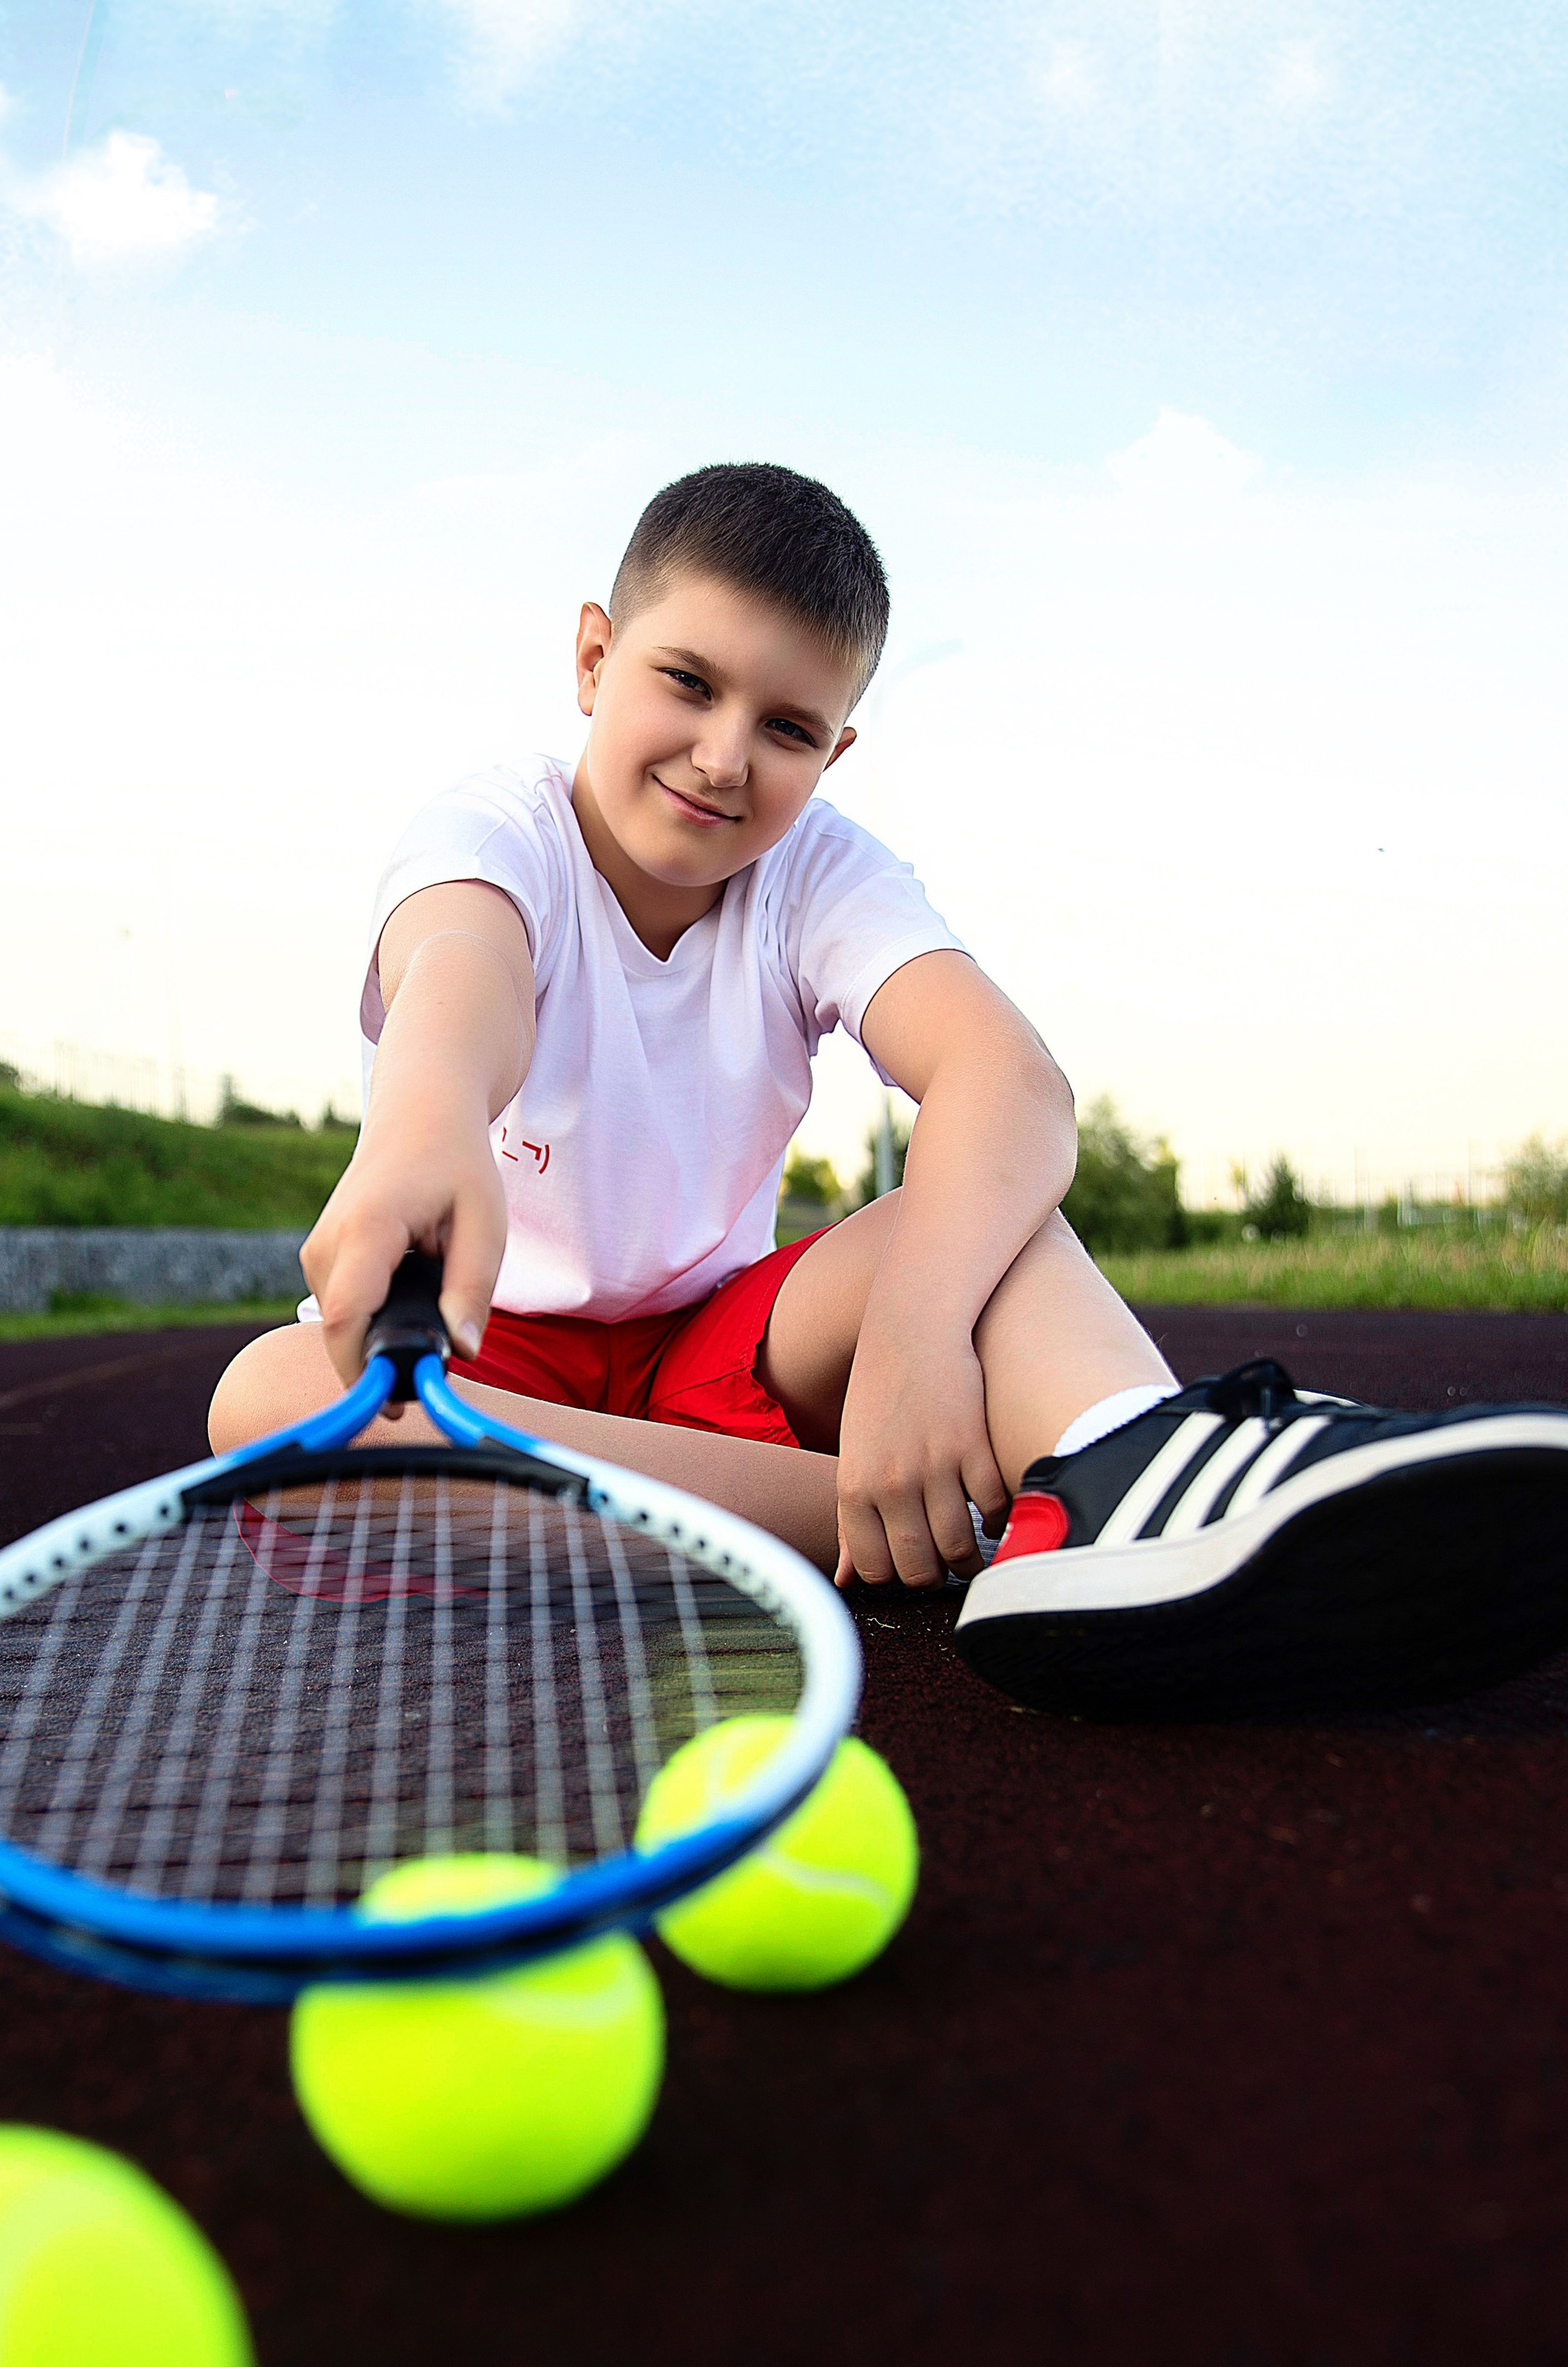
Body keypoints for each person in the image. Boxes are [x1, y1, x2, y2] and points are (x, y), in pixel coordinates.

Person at [210, 462, 1568, 1720]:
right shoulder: (493, 828)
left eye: (786, 726)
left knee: (985, 1212)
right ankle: (953, 1523)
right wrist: (431, 1118)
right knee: (274, 1397)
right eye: (686, 681)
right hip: (473, 1374)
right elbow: (463, 974)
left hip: (708, 1361)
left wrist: (919, 1336)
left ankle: (1140, 1473)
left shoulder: (818, 874)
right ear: (591, 658)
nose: (726, 754)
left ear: (836, 750)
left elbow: (1008, 1080)